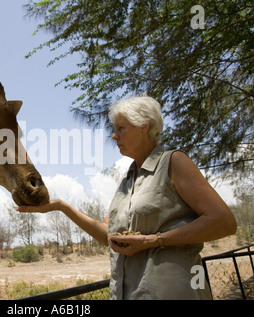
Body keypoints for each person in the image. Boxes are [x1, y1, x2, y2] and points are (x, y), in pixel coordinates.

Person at [18, 96, 237, 300]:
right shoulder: (127, 179)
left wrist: (153, 241)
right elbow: (109, 236)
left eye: (121, 129)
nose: (114, 136)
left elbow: (223, 223)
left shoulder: (173, 162)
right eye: (115, 130)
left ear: (145, 127)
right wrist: (62, 207)